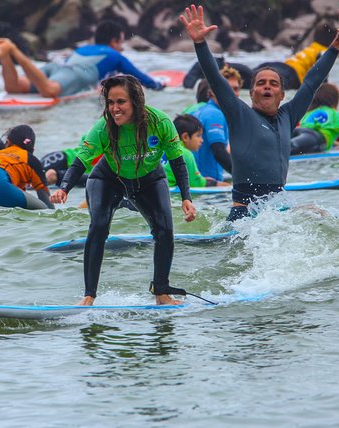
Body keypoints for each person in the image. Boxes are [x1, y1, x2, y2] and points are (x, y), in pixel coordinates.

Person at [180, 4, 339, 221]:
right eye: (261, 83)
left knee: (321, 216)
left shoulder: (288, 116)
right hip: (245, 214)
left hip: (277, 211)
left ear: (282, 94)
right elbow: (215, 78)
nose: (267, 87)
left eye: (273, 83)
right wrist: (200, 43)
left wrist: (335, 46)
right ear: (252, 92)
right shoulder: (239, 114)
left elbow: (311, 82)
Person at [49, 75, 197, 306]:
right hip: (108, 178)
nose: (115, 109)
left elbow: (177, 161)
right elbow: (81, 161)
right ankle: (89, 296)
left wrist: (186, 198)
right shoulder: (103, 128)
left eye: (121, 102)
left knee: (165, 230)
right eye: (110, 103)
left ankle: (161, 293)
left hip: (149, 179)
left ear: (136, 101)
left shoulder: (160, 122)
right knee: (98, 226)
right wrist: (64, 187)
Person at [0, 20, 165, 98]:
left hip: (56, 67)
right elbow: (140, 77)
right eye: (121, 41)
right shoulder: (114, 55)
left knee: (13, 88)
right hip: (75, 74)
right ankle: (12, 49)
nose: (122, 46)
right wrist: (158, 85)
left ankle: (5, 56)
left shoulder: (84, 47)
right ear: (113, 41)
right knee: (49, 90)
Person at [182, 20, 337, 91]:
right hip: (288, 75)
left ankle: (218, 64)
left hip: (277, 65)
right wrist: (326, 88)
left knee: (246, 77)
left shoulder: (311, 46)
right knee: (252, 83)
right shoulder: (323, 50)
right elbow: (322, 68)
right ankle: (208, 67)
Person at [188, 64, 244, 179]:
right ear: (213, 91)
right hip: (208, 188)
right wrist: (244, 178)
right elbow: (219, 152)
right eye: (228, 88)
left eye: (236, 89)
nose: (233, 93)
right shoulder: (215, 114)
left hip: (195, 181)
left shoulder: (199, 110)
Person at [162, 114, 229, 187]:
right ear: (185, 137)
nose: (202, 140)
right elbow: (196, 183)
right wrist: (215, 183)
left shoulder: (165, 148)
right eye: (198, 135)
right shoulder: (185, 154)